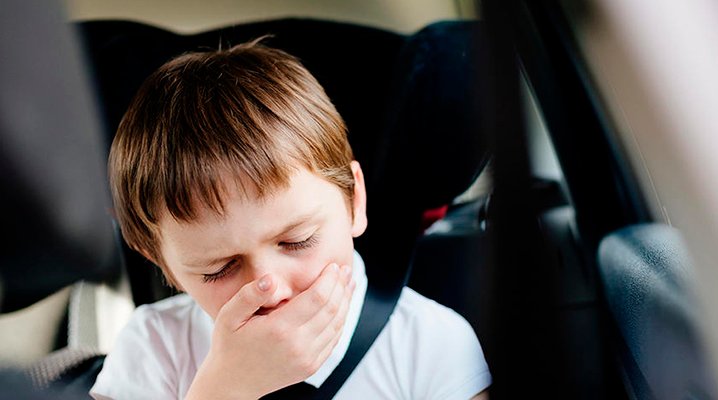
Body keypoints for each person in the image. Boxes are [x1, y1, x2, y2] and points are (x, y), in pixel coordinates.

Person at [89, 39, 491, 399]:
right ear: (161, 262)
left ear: (354, 201)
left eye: (298, 240)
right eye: (218, 268)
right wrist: (225, 389)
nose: (271, 289)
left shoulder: (431, 344)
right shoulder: (154, 347)